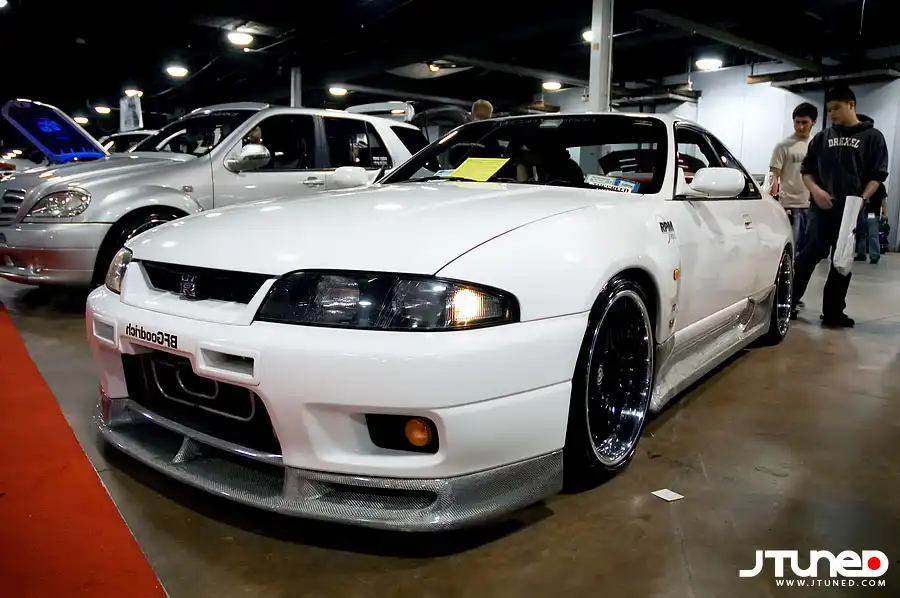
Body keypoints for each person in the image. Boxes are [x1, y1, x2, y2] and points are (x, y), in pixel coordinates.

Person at [791, 85, 889, 327]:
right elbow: (807, 171)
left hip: (852, 211)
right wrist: (817, 192)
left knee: (842, 260)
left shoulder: (872, 137)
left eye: (836, 108)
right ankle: (788, 301)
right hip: (821, 209)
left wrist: (862, 199)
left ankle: (833, 312)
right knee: (809, 255)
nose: (831, 114)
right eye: (829, 110)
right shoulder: (821, 138)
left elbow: (877, 176)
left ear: (851, 105)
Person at [769, 103, 818, 259]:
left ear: (813, 122)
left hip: (812, 206)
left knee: (809, 252)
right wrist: (773, 201)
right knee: (791, 249)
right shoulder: (783, 146)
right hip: (790, 205)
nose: (800, 127)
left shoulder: (817, 145)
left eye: (805, 122)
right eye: (797, 122)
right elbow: (774, 175)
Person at [854, 114, 886, 264]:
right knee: (860, 233)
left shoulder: (877, 183)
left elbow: (883, 198)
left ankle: (874, 255)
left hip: (873, 211)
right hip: (861, 210)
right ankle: (861, 253)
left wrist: (884, 213)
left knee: (872, 233)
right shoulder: (860, 182)